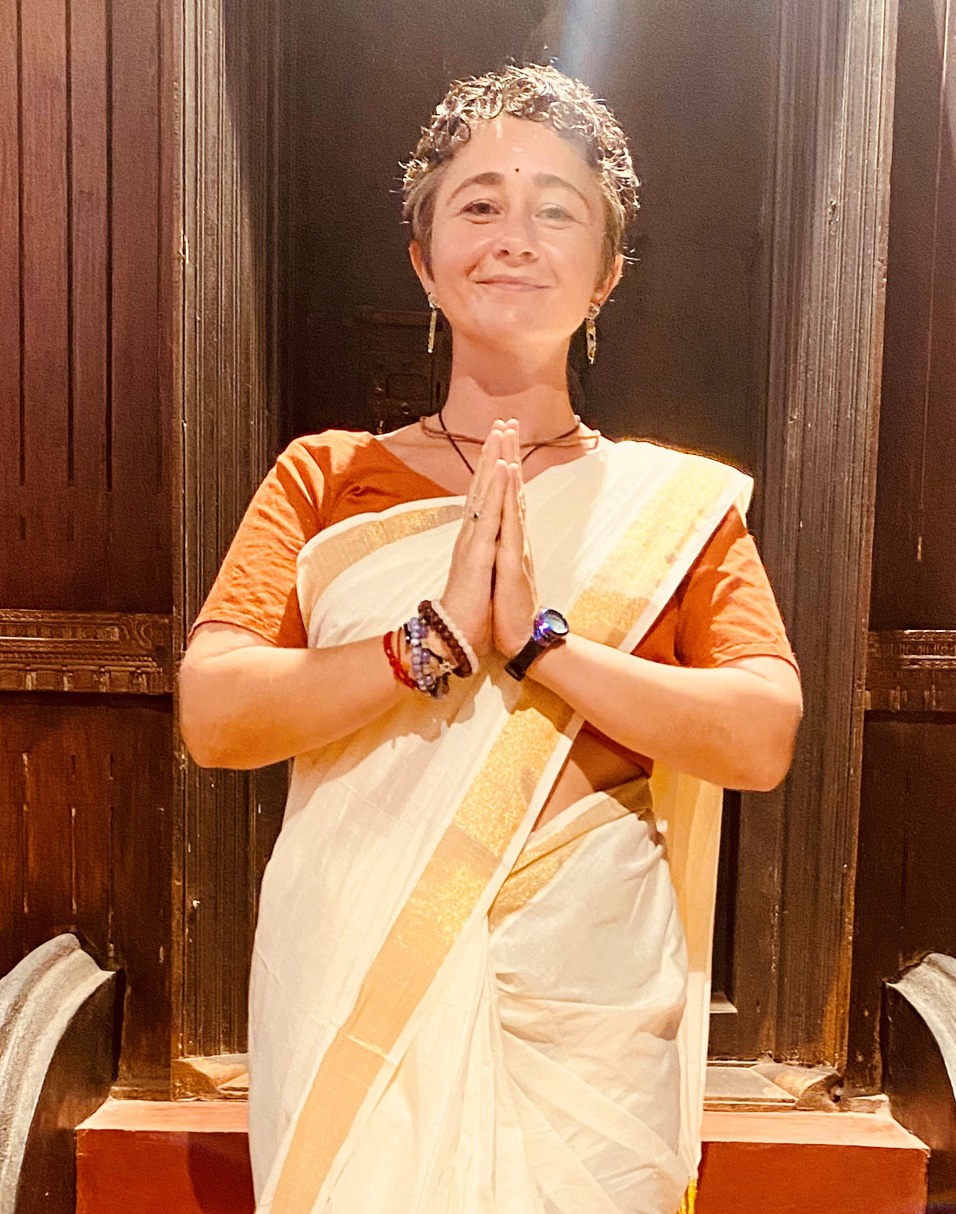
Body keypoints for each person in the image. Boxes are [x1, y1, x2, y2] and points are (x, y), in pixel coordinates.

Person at [179, 63, 802, 1214]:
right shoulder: (324, 479)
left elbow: (761, 735)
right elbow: (215, 713)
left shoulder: (673, 509)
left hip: (590, 990)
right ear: (423, 257)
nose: (513, 235)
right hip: (360, 962)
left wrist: (539, 643)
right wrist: (427, 644)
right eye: (477, 204)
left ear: (607, 271)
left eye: (555, 208)